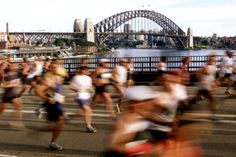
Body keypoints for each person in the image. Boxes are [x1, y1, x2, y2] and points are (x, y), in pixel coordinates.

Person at [31, 72, 64, 151]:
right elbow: (37, 91)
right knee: (59, 124)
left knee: (59, 125)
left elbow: (57, 92)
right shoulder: (49, 80)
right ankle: (51, 141)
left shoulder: (56, 78)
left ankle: (52, 142)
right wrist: (47, 98)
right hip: (52, 106)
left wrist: (63, 98)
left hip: (57, 105)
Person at [70, 66, 96, 133]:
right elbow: (71, 86)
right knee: (88, 110)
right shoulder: (76, 77)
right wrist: (77, 89)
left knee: (84, 112)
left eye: (86, 70)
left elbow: (90, 87)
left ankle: (69, 117)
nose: (85, 71)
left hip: (87, 96)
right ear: (80, 70)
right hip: (80, 96)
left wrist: (91, 89)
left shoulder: (88, 78)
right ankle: (89, 126)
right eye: (84, 70)